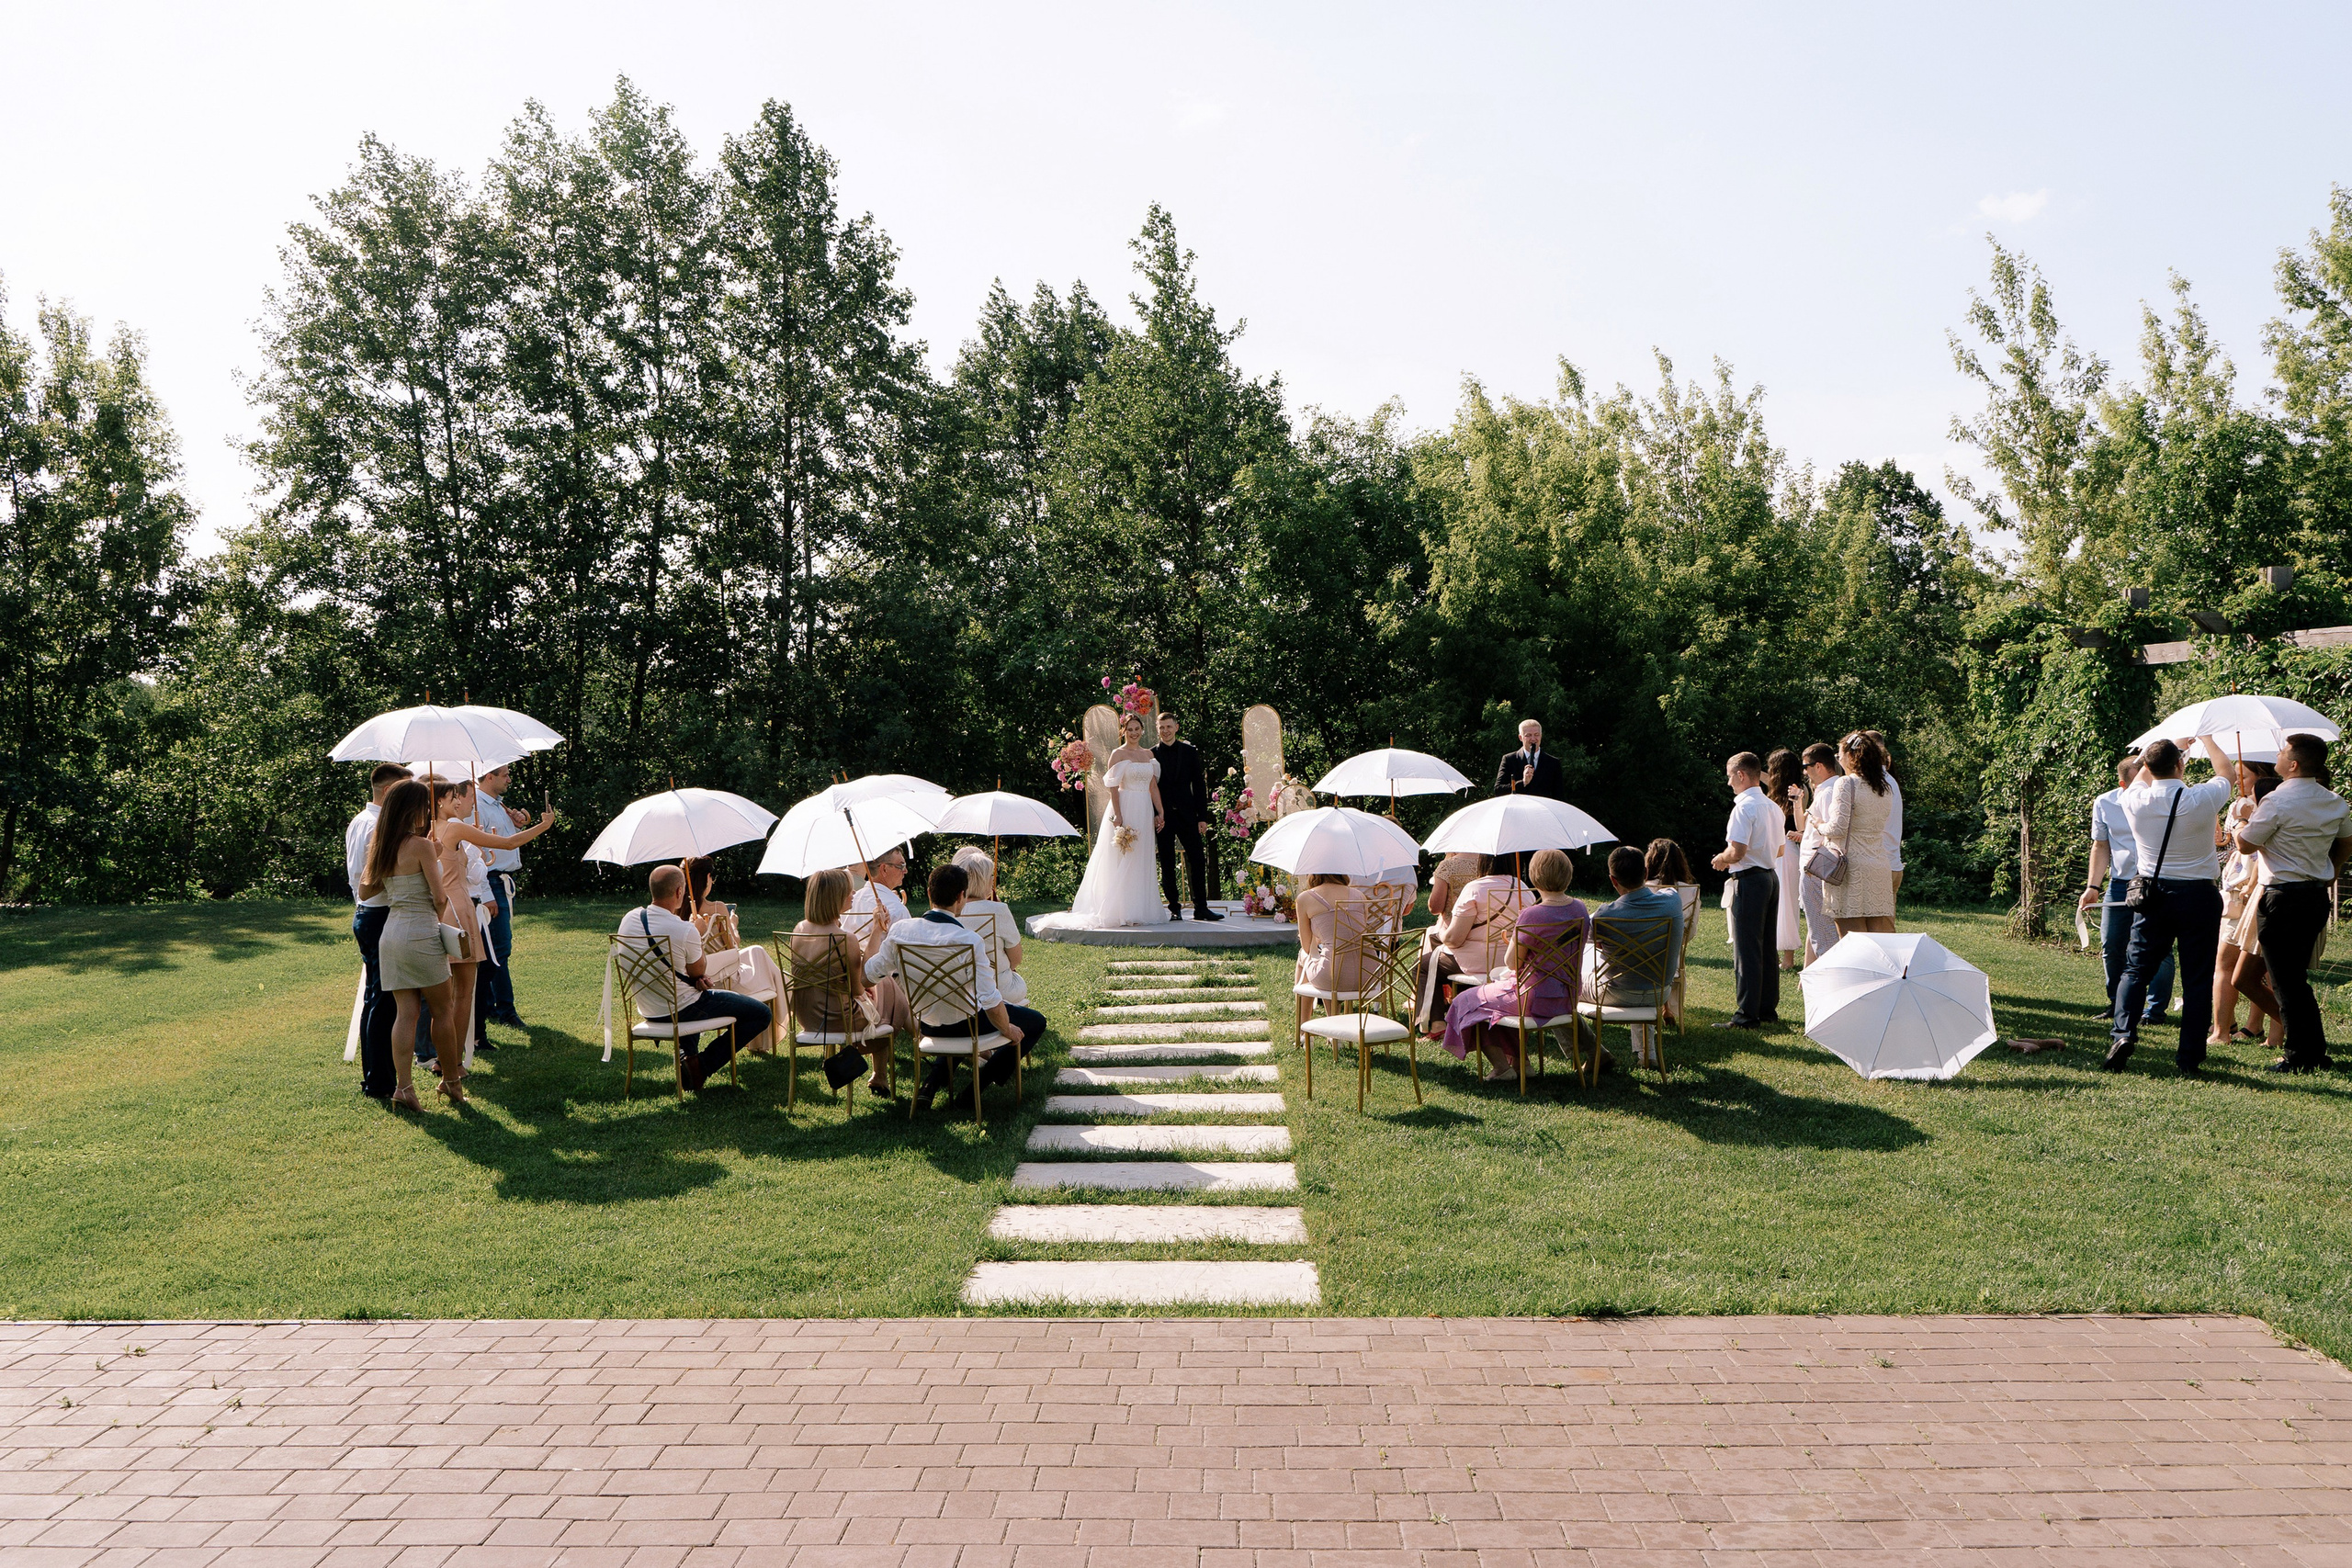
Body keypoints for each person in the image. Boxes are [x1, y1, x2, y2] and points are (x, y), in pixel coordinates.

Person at [865, 862, 1048, 1111]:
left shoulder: (900, 931)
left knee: (959, 1013)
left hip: (927, 1025)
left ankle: (931, 1083)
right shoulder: (969, 940)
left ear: (929, 894)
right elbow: (990, 1000)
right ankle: (975, 1090)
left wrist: (877, 931)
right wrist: (1008, 1029)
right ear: (961, 897)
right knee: (1036, 1021)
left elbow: (868, 977)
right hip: (967, 1025)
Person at [2108, 735, 2240, 1074]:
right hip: (2198, 895)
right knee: (2197, 978)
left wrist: (2171, 745)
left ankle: (2122, 1033)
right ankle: (2190, 1056)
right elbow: (2227, 772)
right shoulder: (2200, 798)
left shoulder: (2133, 798)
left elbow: (2141, 775)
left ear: (2148, 768)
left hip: (2153, 895)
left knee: (2136, 969)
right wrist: (2207, 739)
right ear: (2181, 765)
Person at [2233, 731, 2352, 1073]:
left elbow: (2245, 846)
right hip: (2315, 897)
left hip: (2282, 897)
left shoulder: (2276, 801)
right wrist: (2333, 870)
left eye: (2283, 752)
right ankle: (2313, 1048)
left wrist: (2244, 817)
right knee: (2294, 977)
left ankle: (2301, 1054)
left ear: (2294, 764)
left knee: (2285, 981)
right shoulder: (2334, 800)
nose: (2278, 756)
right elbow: (2347, 842)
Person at [614, 863, 775, 1093]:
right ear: (680, 892)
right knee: (761, 1013)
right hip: (681, 1008)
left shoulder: (629, 919)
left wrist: (695, 978)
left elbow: (686, 975)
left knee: (693, 991)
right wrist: (696, 932)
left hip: (648, 1008)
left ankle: (687, 1060)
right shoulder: (685, 930)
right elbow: (699, 972)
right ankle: (701, 1066)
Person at [428, 778, 554, 1067]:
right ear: (440, 802)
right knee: (462, 994)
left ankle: (440, 1058)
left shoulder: (425, 829)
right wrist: (543, 826)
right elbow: (509, 843)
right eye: (453, 798)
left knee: (440, 998)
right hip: (459, 910)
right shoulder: (455, 827)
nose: (461, 803)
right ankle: (453, 1063)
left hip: (436, 912)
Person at [357, 779, 462, 1111]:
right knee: (443, 1011)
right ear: (413, 809)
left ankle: (404, 1087)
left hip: (391, 934)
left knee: (406, 1014)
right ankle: (451, 1081)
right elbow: (439, 896)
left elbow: (365, 892)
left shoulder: (381, 844)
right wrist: (436, 856)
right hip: (420, 932)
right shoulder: (420, 845)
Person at [1442, 849, 1588, 1081]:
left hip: (1533, 996)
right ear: (1568, 874)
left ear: (1534, 876)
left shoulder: (1531, 915)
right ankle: (1521, 1064)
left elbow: (1511, 962)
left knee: (1467, 1001)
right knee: (1490, 1001)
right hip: (1567, 995)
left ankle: (1502, 1067)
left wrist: (1514, 939)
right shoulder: (1580, 909)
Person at [1035, 712, 1168, 931]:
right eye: (1130, 729)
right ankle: (1121, 911)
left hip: (1144, 808)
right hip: (1125, 806)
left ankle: (1139, 909)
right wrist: (1119, 816)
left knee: (1141, 857)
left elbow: (1153, 786)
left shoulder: (1148, 755)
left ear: (1142, 730)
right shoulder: (1118, 754)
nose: (1134, 733)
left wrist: (1160, 812)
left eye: (1137, 729)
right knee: (1122, 856)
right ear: (1123, 731)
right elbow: (1113, 787)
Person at [2078, 754, 2179, 1030]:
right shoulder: (2105, 802)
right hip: (2120, 883)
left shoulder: (2163, 797)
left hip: (2156, 881)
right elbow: (2100, 846)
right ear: (2124, 784)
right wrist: (2093, 886)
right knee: (2112, 945)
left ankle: (2154, 1011)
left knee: (2158, 947)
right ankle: (2118, 1003)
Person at [788, 867, 910, 1093]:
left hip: (807, 1016)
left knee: (883, 987)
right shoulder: (846, 939)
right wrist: (877, 929)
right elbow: (859, 986)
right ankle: (887, 1069)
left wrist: (864, 990)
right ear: (834, 898)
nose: (854, 892)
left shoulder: (799, 929)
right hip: (838, 1018)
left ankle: (910, 1046)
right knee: (887, 986)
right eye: (848, 891)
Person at [346, 763, 412, 1100]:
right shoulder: (377, 827)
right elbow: (376, 880)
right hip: (380, 912)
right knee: (384, 1000)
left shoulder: (359, 820)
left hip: (365, 912)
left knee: (377, 997)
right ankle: (379, 1081)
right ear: (389, 792)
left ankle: (376, 1076)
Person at [1588, 845, 1685, 1070]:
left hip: (1615, 994)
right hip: (1659, 991)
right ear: (1646, 872)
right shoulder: (1672, 901)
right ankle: (1648, 1054)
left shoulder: (1604, 914)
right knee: (1639, 966)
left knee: (1569, 981)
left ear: (1613, 880)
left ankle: (1593, 1052)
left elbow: (1591, 940)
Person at [681, 855, 786, 1053]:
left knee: (756, 952)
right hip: (725, 980)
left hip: (700, 976)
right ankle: (784, 993)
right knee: (764, 962)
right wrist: (733, 925)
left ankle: (783, 986)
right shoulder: (717, 908)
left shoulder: (678, 913)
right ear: (708, 878)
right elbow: (732, 947)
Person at [1413, 854, 1527, 1032]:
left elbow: (1454, 940)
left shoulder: (1475, 888)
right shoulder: (1523, 888)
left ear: (1484, 860)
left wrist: (1442, 932)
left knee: (1423, 965)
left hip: (1478, 960)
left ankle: (1436, 1024)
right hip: (1511, 962)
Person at [1710, 751, 1782, 1029]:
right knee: (1767, 947)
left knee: (1747, 949)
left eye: (1730, 776)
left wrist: (1721, 858)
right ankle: (1766, 1010)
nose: (1728, 783)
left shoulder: (1743, 808)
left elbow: (1737, 851)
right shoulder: (1773, 807)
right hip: (1770, 877)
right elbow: (1780, 849)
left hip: (1750, 880)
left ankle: (1746, 1015)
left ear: (1741, 775)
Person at [2213, 773, 2283, 1055]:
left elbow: (2248, 850)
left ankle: (2220, 1032)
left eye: (2244, 776)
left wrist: (2243, 821)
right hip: (2274, 896)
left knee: (2228, 967)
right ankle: (2275, 1035)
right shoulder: (2286, 816)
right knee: (2276, 971)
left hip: (2252, 899)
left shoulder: (2265, 818)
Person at [1815, 732, 1897, 939]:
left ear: (1852, 756)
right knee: (1880, 940)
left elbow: (1838, 828)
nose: (1838, 758)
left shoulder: (1846, 783)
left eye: (1840, 754)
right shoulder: (1884, 787)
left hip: (1851, 868)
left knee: (1853, 941)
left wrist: (1819, 825)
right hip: (1879, 866)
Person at [469, 763, 532, 1033]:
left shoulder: (498, 805)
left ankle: (491, 1006)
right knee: (499, 948)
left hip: (503, 879)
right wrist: (486, 893)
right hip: (492, 879)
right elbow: (477, 852)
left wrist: (521, 822)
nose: (509, 778)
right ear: (490, 776)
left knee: (497, 948)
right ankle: (504, 1010)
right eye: (505, 774)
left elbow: (508, 840)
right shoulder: (476, 807)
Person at [1153, 711, 1222, 921]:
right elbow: (1149, 788)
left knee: (1198, 860)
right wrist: (1156, 813)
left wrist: (1202, 816)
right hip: (1162, 817)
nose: (1165, 731)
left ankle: (1201, 908)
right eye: (1162, 727)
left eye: (1169, 726)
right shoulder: (1151, 754)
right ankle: (1174, 908)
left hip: (1188, 815)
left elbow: (1199, 785)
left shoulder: (1190, 752)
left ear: (1177, 727)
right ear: (1158, 729)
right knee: (1166, 862)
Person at [1293, 871, 1374, 1027]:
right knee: (1330, 957)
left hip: (1333, 976)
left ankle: (1303, 1029)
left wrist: (1319, 936)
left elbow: (1307, 947)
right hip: (1368, 975)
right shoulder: (1359, 896)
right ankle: (1334, 1028)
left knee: (1305, 955)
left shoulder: (1305, 898)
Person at [952, 846, 1027, 1005]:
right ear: (985, 881)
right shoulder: (999, 910)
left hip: (958, 991)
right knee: (1017, 980)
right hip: (998, 988)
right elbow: (1016, 958)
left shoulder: (948, 910)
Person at [1644, 839, 1702, 1025]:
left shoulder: (1644, 888)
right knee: (1671, 950)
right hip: (1673, 953)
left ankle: (1659, 1008)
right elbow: (1690, 932)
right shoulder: (1691, 890)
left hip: (1644, 952)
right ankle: (1669, 1009)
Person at [1793, 745, 1838, 964]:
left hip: (1816, 870)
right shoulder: (1825, 789)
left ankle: (1828, 978)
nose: (1804, 771)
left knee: (1824, 932)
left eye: (1806, 766)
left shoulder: (1830, 791)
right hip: (1814, 867)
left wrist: (1813, 867)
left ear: (1818, 766)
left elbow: (1832, 833)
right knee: (1817, 929)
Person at [1763, 748, 1806, 970]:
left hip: (1788, 852)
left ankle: (1788, 959)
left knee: (1786, 903)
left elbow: (1802, 823)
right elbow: (1764, 778)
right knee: (1773, 904)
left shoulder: (1798, 791)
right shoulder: (1776, 790)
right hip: (1773, 851)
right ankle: (1775, 955)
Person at [847, 845, 913, 956]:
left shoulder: (850, 903)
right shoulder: (897, 910)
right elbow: (908, 955)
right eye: (901, 865)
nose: (905, 871)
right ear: (884, 869)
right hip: (884, 971)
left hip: (851, 969)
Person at [1866, 729, 1905, 900]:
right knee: (1884, 925)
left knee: (1878, 926)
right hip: (1892, 864)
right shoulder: (1890, 780)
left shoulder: (1875, 783)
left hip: (1879, 866)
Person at [1494, 718, 1565, 798]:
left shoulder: (1553, 762)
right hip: (1518, 809)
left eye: (1536, 734)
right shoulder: (1509, 760)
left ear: (1541, 736)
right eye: (1528, 735)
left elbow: (1559, 796)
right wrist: (1523, 782)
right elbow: (1498, 790)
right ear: (1520, 738)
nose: (1533, 739)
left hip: (1541, 810)